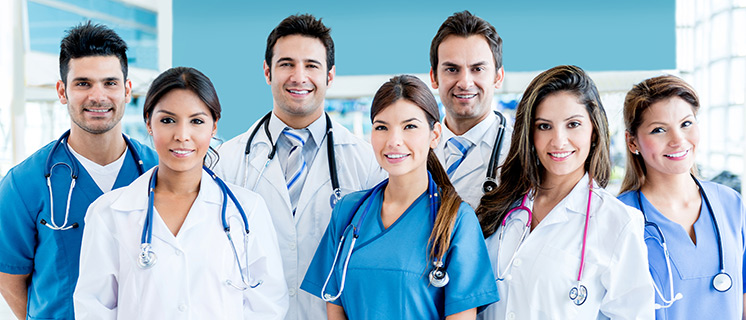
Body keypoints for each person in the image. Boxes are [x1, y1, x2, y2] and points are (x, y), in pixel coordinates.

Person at [73, 67, 288, 319]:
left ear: (214, 126)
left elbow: (268, 306)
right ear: (149, 124)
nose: (182, 136)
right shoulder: (109, 212)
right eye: (167, 120)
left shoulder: (247, 210)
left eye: (196, 121)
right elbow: (94, 309)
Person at [214, 14, 385, 320]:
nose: (298, 76)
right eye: (286, 64)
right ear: (268, 71)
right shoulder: (228, 160)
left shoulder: (366, 162)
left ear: (330, 76)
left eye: (311, 65)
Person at [301, 75, 498, 319]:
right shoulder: (347, 213)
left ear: (434, 134)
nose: (394, 141)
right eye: (381, 127)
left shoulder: (456, 220)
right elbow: (334, 305)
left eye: (410, 126)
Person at [0, 21, 158, 319]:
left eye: (110, 83)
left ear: (127, 91)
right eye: (83, 83)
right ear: (62, 91)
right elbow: (9, 276)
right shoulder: (23, 184)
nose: (98, 96)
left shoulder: (158, 172)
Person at [476, 65, 654, 319]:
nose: (558, 140)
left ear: (594, 132)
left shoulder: (617, 222)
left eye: (573, 124)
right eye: (544, 126)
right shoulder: (501, 203)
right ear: (530, 134)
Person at [617, 75, 745, 319]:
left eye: (686, 124)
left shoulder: (730, 204)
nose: (678, 140)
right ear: (632, 141)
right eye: (659, 130)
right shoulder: (619, 217)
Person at [429, 10, 512, 209]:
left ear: (498, 77)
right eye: (452, 69)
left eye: (477, 69)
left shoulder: (519, 152)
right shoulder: (415, 147)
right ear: (434, 77)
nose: (465, 83)